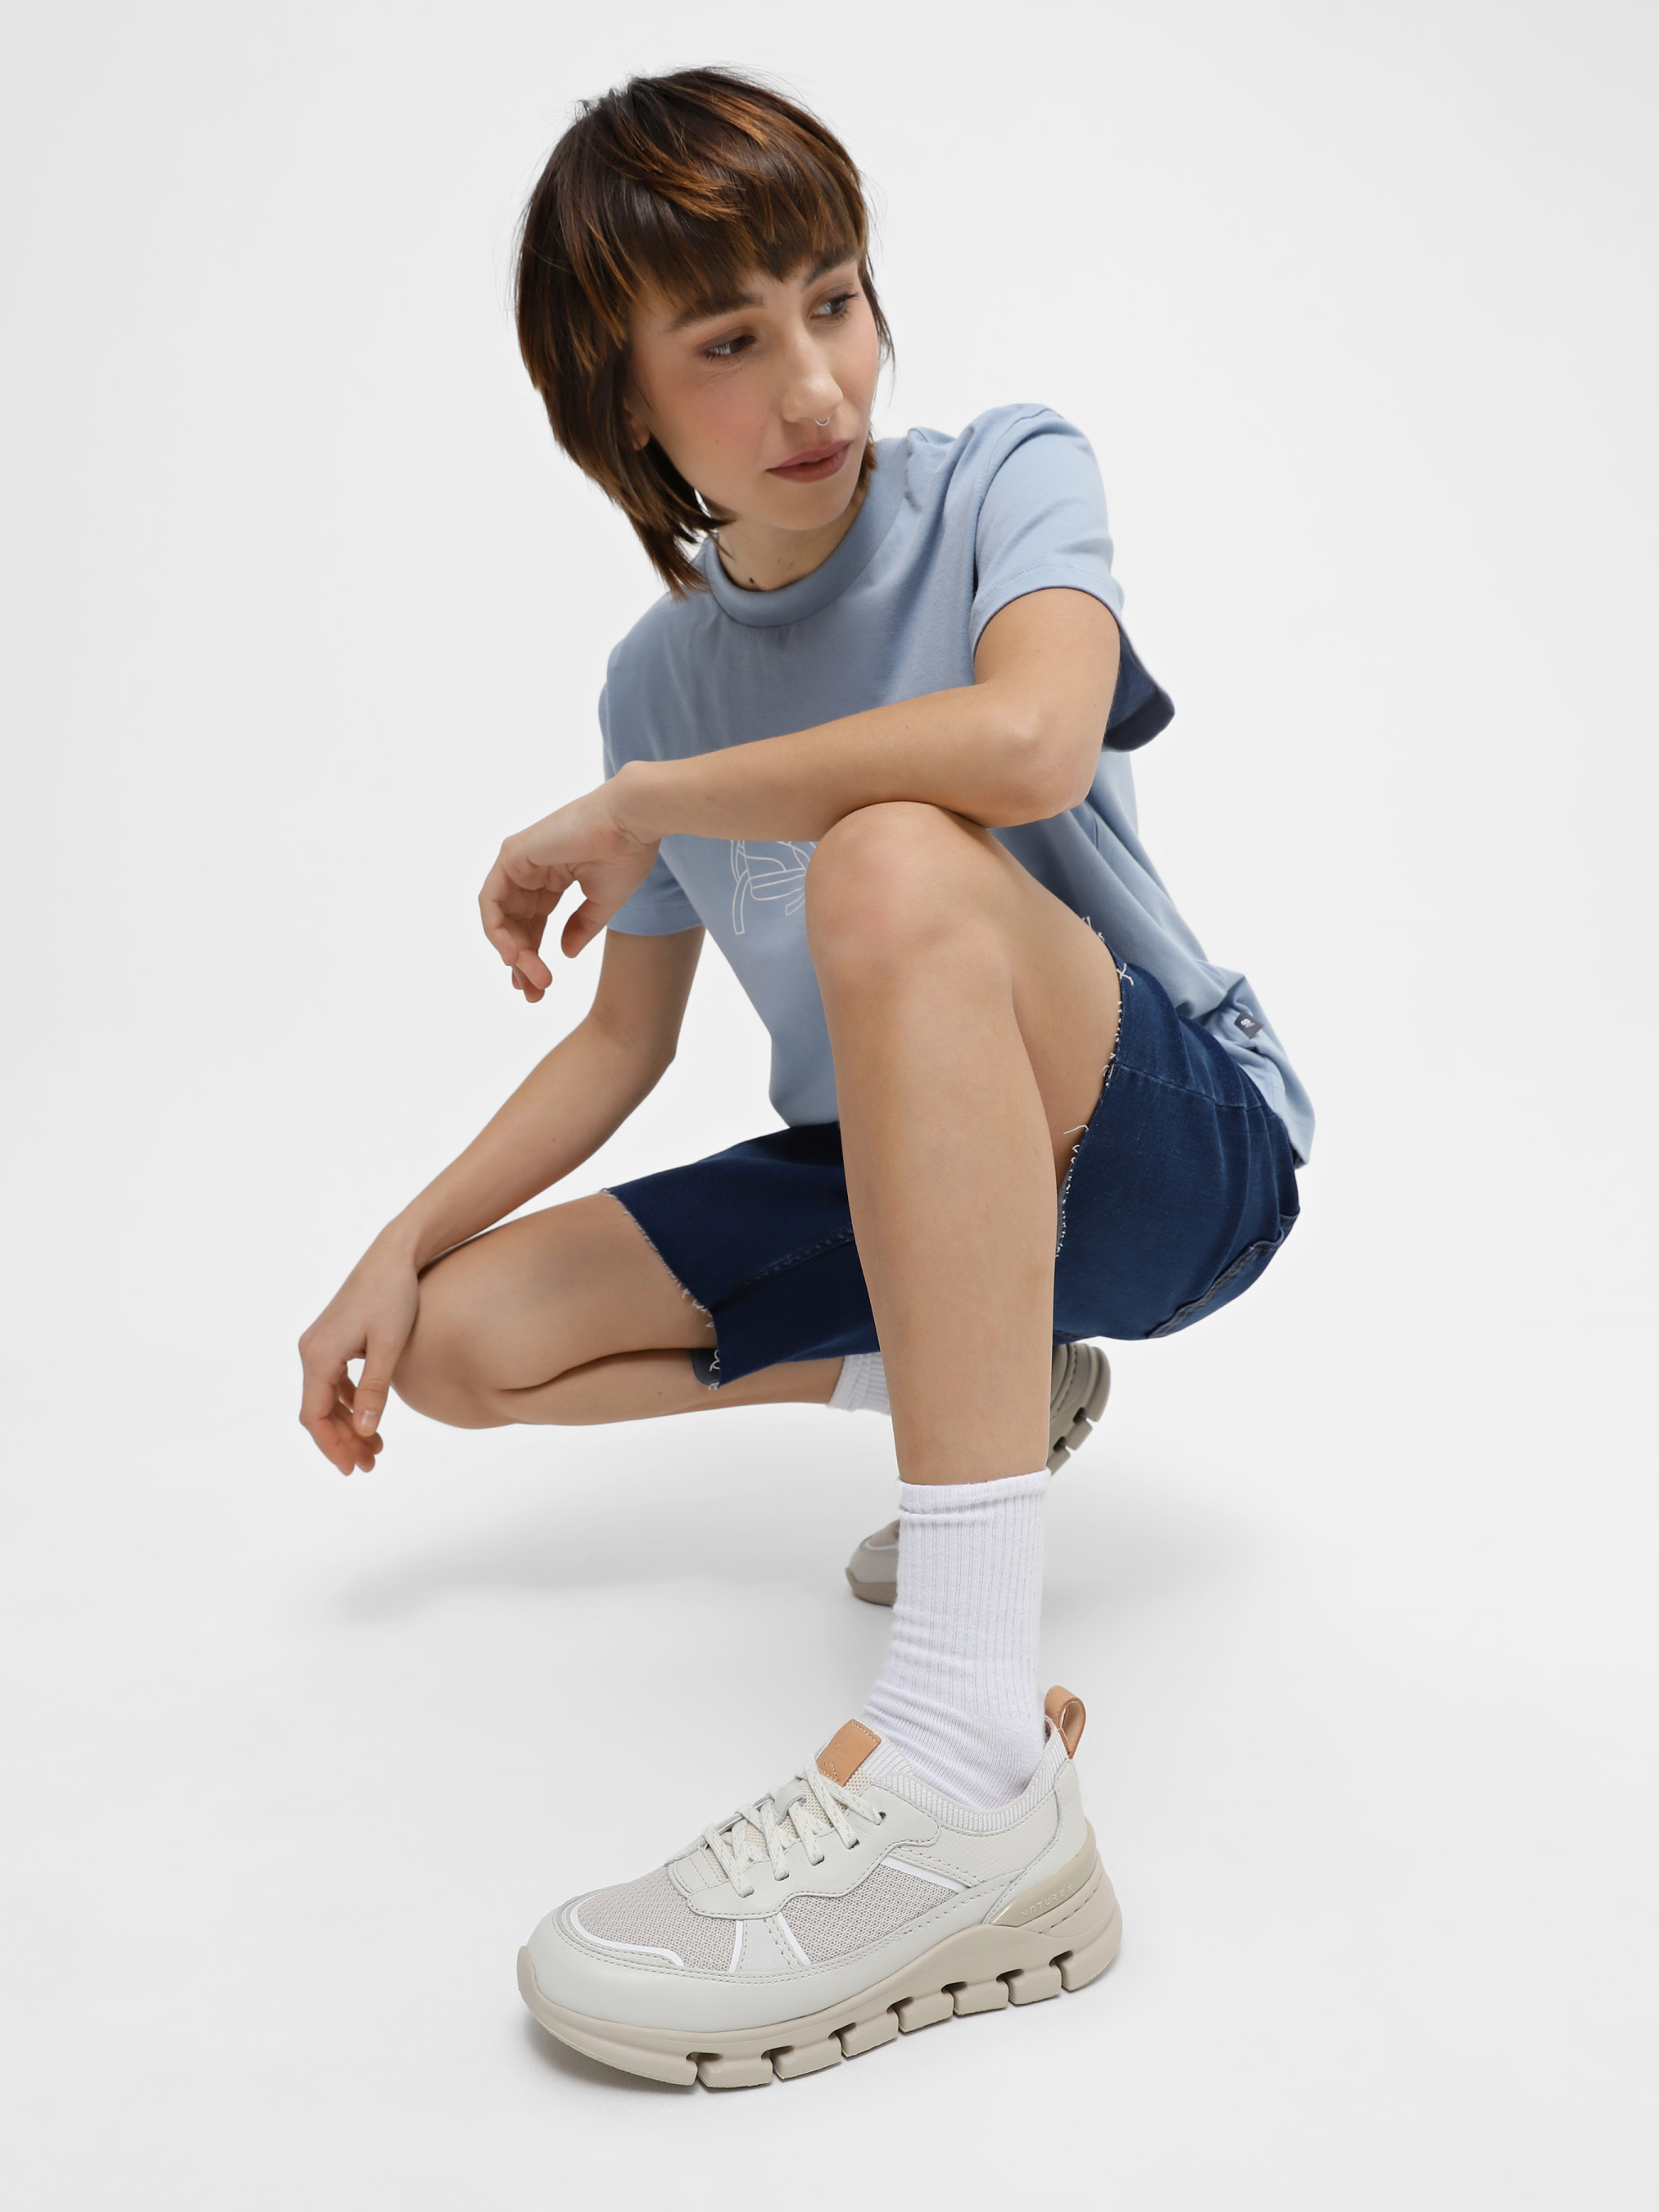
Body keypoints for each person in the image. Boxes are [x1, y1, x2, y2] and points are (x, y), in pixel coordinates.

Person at [297, 67, 1312, 2088]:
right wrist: (394, 1247)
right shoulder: (659, 677)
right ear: (624, 410)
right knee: (467, 1344)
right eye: (729, 343)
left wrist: (647, 806)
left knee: (889, 858)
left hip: (1169, 1144)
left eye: (830, 301)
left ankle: (965, 1756)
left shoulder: (1004, 478)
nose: (815, 384)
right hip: (908, 1180)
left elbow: (1028, 745)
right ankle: (990, 1379)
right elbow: (624, 1042)